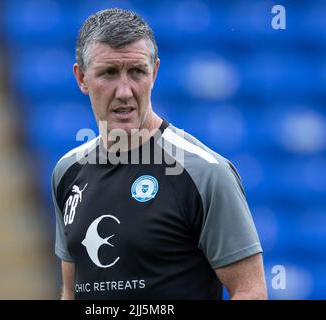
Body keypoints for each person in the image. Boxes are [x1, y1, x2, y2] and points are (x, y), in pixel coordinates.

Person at [51, 8, 267, 300]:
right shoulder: (67, 172)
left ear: (154, 73)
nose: (125, 91)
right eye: (109, 73)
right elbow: (71, 291)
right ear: (82, 78)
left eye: (137, 72)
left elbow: (250, 291)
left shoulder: (205, 173)